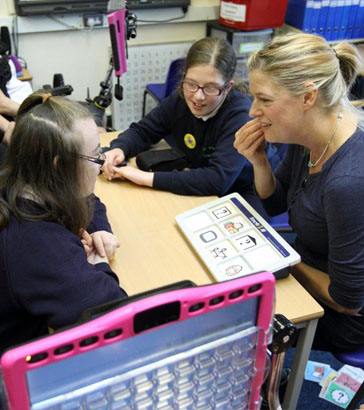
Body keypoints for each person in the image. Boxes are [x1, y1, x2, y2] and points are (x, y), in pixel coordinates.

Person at [234, 32, 364, 353]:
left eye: (264, 100)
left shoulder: (347, 181)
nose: (253, 111)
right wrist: (259, 160)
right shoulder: (309, 134)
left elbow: (348, 302)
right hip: (308, 265)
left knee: (233, 325)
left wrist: (281, 261)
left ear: (308, 97)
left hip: (345, 315)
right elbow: (277, 202)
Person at [0, 91, 127, 356]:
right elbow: (112, 316)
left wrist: (99, 228)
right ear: (59, 167)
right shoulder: (35, 243)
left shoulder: (20, 177)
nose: (102, 163)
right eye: (95, 157)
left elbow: (88, 197)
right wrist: (98, 264)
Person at [102, 37, 279, 213]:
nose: (197, 97)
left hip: (245, 190)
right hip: (200, 175)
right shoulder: (180, 98)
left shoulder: (240, 115)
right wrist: (119, 149)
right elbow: (143, 131)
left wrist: (144, 178)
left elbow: (217, 180)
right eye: (191, 84)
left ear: (227, 87)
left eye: (210, 88)